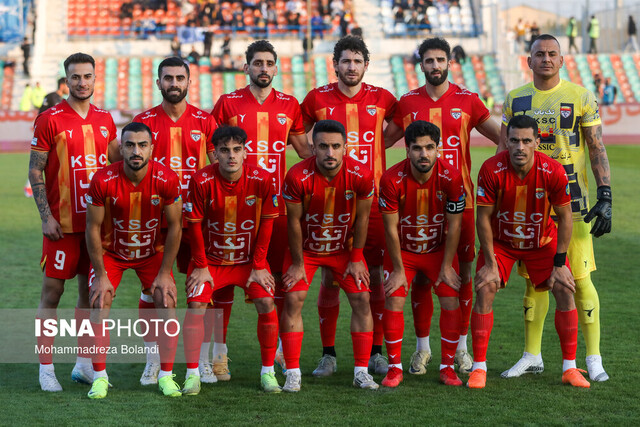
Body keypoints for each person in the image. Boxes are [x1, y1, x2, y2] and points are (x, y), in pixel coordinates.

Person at [384, 36, 500, 376]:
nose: (435, 65)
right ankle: (422, 349)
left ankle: (460, 348)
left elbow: (502, 138)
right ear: (420, 64)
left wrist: (497, 176)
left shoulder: (468, 99)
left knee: (462, 275)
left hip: (460, 203)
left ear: (449, 62)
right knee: (420, 278)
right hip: (414, 205)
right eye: (429, 60)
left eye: (440, 59)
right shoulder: (407, 102)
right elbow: (382, 141)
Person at [500, 34, 611, 382]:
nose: (546, 59)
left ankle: (593, 357)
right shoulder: (515, 98)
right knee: (535, 282)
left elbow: (596, 146)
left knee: (579, 279)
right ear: (529, 60)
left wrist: (605, 194)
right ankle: (532, 355)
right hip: (529, 205)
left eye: (552, 54)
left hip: (572, 205)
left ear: (562, 60)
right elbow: (503, 151)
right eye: (539, 54)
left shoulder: (580, 96)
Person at [210, 40, 312, 381]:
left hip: (276, 209)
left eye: (269, 63)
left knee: (278, 281)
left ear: (276, 68)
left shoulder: (289, 104)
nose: (263, 68)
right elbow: (212, 148)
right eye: (257, 63)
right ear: (247, 67)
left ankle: (279, 351)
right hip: (233, 210)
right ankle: (218, 355)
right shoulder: (228, 102)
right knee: (223, 283)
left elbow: (304, 152)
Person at [467, 115, 589, 389]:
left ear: (537, 141)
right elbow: (483, 218)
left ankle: (569, 368)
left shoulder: (553, 170)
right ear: (506, 141)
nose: (519, 147)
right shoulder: (491, 169)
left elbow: (565, 218)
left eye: (525, 141)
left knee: (564, 288)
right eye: (514, 141)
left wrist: (560, 263)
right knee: (485, 287)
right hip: (502, 242)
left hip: (541, 241)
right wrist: (489, 262)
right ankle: (479, 368)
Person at [300, 35, 397, 377]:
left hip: (374, 203)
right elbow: (299, 136)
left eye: (357, 61)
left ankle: (376, 353)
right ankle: (328, 355)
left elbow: (396, 130)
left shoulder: (383, 98)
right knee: (329, 277)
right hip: (330, 205)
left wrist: (378, 149)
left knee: (375, 276)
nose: (351, 67)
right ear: (335, 65)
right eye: (345, 61)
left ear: (366, 65)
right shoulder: (317, 98)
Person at [28, 52, 118, 392]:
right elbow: (35, 170)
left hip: (96, 227)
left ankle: (83, 364)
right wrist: (46, 217)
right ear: (67, 81)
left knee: (89, 295)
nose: (82, 82)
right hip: (61, 226)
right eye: (76, 77)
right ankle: (46, 368)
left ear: (95, 78)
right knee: (52, 294)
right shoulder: (49, 119)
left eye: (87, 76)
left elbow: (115, 166)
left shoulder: (105, 119)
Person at [133, 56, 217, 385]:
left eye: (180, 78)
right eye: (168, 78)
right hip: (156, 223)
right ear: (158, 83)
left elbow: (217, 168)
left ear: (189, 82)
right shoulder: (143, 122)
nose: (174, 83)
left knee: (202, 293)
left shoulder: (205, 121)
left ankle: (203, 360)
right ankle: (154, 360)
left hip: (197, 222)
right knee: (154, 291)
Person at [85, 122, 183, 399]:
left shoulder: (166, 178)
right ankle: (100, 378)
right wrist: (100, 274)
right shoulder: (102, 179)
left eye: (142, 145)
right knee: (99, 301)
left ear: (152, 148)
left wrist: (165, 272)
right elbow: (92, 228)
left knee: (166, 299)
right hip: (112, 253)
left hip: (151, 253)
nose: (136, 151)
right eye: (129, 145)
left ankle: (165, 375)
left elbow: (176, 226)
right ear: (121, 148)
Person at [182, 126, 281, 395]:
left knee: (266, 302)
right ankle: (192, 374)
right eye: (224, 150)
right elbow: (194, 226)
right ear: (215, 153)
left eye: (237, 150)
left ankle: (268, 372)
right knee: (196, 306)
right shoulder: (201, 180)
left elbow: (267, 224)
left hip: (248, 262)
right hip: (211, 262)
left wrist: (258, 265)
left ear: (245, 152)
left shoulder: (262, 178)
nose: (231, 156)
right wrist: (201, 266)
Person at [280, 119, 377, 392]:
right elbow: (293, 222)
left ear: (346, 147)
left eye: (336, 146)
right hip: (306, 250)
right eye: (323, 146)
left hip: (342, 249)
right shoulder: (297, 176)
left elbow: (363, 219)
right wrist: (297, 264)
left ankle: (361, 372)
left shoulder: (362, 174)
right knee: (293, 298)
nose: (330, 152)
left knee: (362, 297)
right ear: (313, 148)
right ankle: (292, 372)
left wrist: (356, 258)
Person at [378, 120, 466, 388]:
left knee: (450, 298)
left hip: (437, 250)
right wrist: (397, 269)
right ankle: (394, 369)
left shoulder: (452, 177)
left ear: (439, 149)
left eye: (429, 147)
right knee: (394, 298)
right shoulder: (391, 179)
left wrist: (447, 266)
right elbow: (390, 229)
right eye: (417, 148)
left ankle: (447, 367)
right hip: (403, 252)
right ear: (407, 150)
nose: (423, 154)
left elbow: (455, 225)